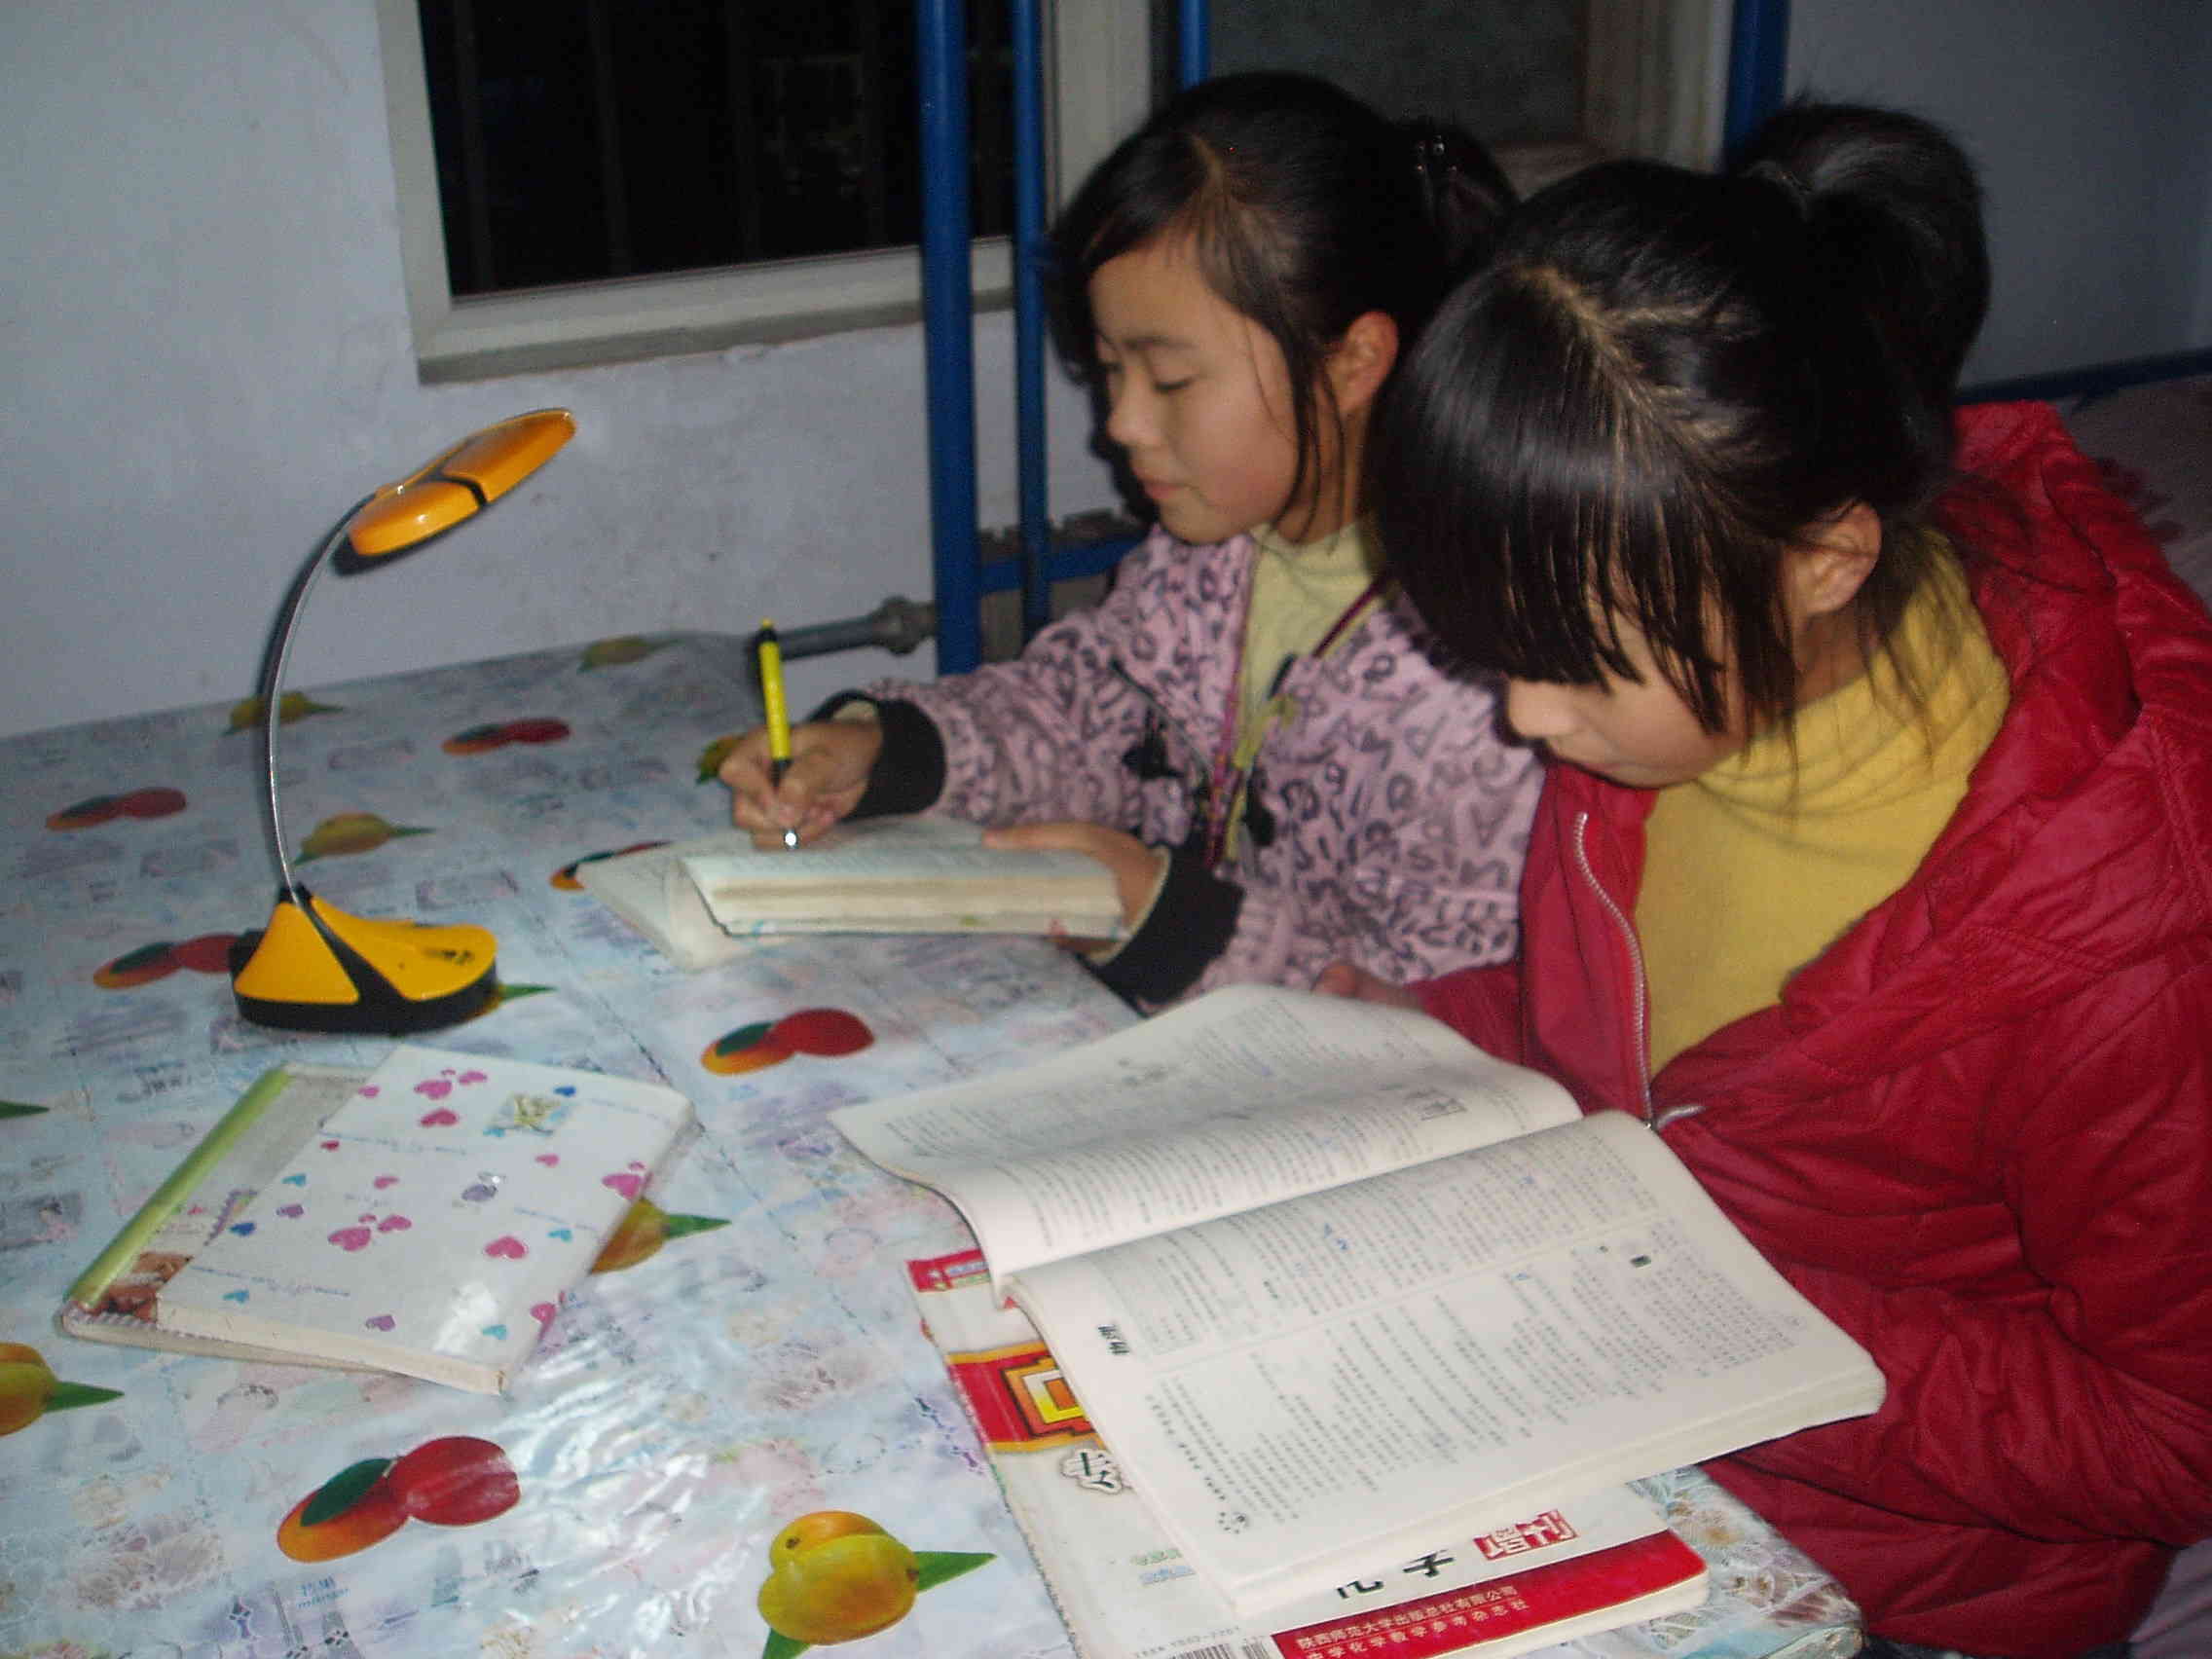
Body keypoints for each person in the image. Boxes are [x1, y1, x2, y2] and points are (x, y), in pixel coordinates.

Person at [1328, 101, 2212, 1659]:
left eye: (1568, 659)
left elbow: (2174, 1435)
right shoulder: (1670, 700)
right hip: (1630, 1426)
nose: (1526, 718)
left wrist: (1720, 1316)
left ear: (1825, 560)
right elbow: (1661, 1047)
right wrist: (1414, 1031)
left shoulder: (2124, 936)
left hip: (1911, 1585)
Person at [719, 73, 1541, 1010]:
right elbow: (1080, 716)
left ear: (1353, 362)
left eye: (1171, 381)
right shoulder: (1208, 553)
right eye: (1109, 370)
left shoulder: (1486, 689)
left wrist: (1165, 922)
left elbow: (1436, 1021)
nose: (1121, 425)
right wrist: (887, 751)